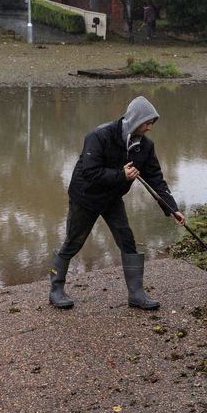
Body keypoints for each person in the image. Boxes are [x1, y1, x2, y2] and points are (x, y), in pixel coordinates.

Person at [49, 96, 186, 310]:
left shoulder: (145, 146)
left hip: (112, 198)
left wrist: (172, 209)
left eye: (152, 123)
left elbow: (156, 178)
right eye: (148, 123)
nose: (150, 128)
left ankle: (136, 295)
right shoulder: (99, 136)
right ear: (136, 120)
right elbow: (90, 172)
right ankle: (56, 290)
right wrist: (121, 174)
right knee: (74, 243)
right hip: (86, 197)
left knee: (127, 241)